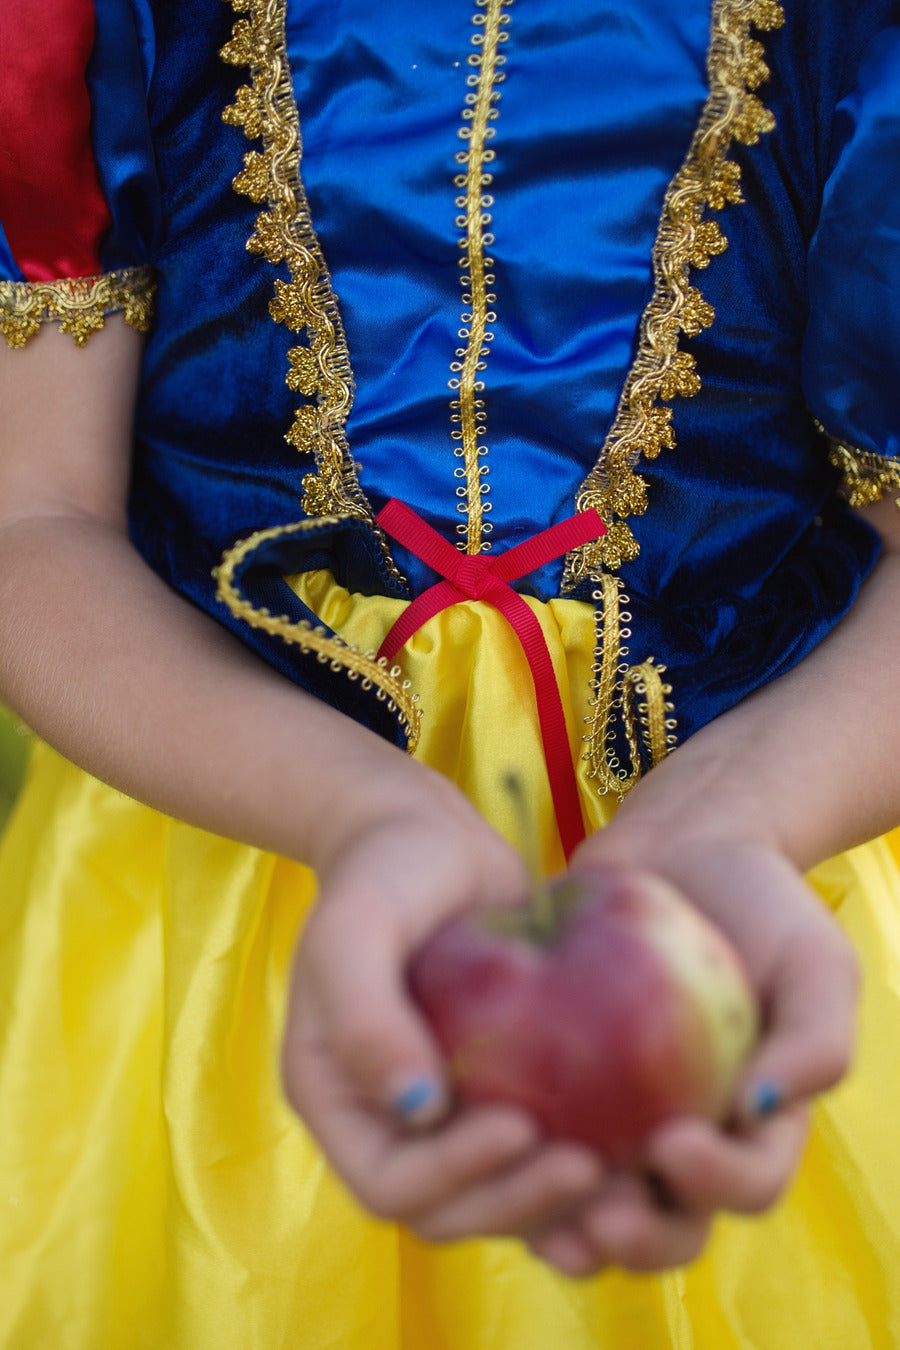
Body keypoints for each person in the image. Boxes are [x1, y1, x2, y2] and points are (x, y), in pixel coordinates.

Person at [1, 0, 899, 1344]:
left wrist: (741, 824)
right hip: (223, 830)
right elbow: (31, 517)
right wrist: (356, 811)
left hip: (763, 823)